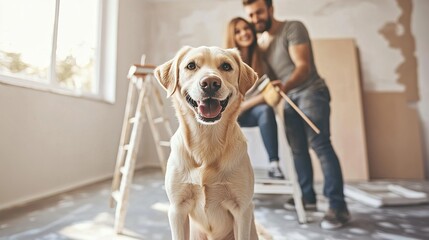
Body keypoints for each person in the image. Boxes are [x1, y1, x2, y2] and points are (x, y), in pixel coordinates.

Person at [242, 0, 351, 229]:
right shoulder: (261, 44)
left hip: (311, 92)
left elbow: (303, 66)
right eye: (251, 15)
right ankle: (308, 197)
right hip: (290, 98)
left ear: (271, 9)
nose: (255, 19)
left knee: (320, 145)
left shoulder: (292, 28)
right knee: (297, 150)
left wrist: (285, 86)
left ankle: (338, 207)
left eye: (259, 12)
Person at [225, 17, 284, 179]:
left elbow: (267, 95)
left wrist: (245, 105)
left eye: (246, 28)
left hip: (250, 112)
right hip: (228, 114)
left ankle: (274, 164)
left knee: (265, 110)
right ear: (233, 36)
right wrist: (237, 107)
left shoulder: (263, 61)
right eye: (238, 31)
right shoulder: (226, 62)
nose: (244, 33)